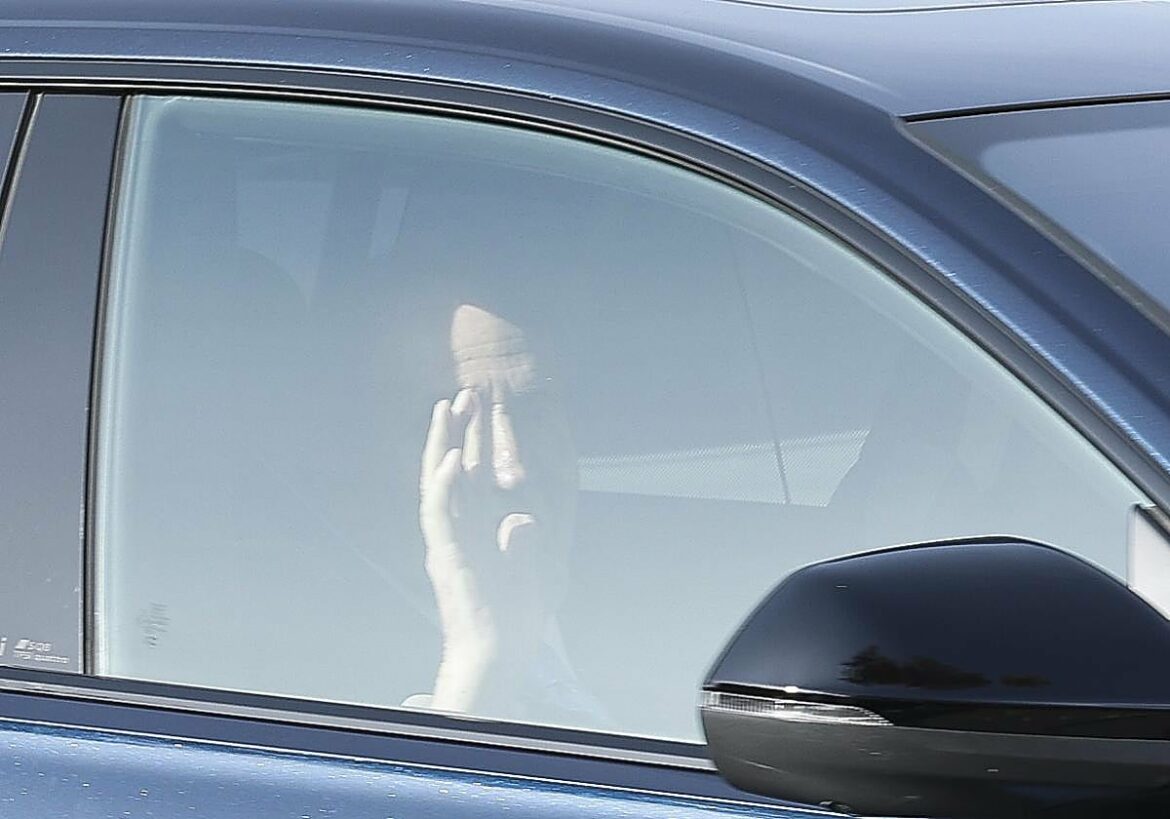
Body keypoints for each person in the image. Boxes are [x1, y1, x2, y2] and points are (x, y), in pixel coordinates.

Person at [415, 303, 606, 726]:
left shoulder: (654, 588)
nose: (511, 469)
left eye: (534, 412)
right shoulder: (299, 672)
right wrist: (479, 670)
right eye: (465, 421)